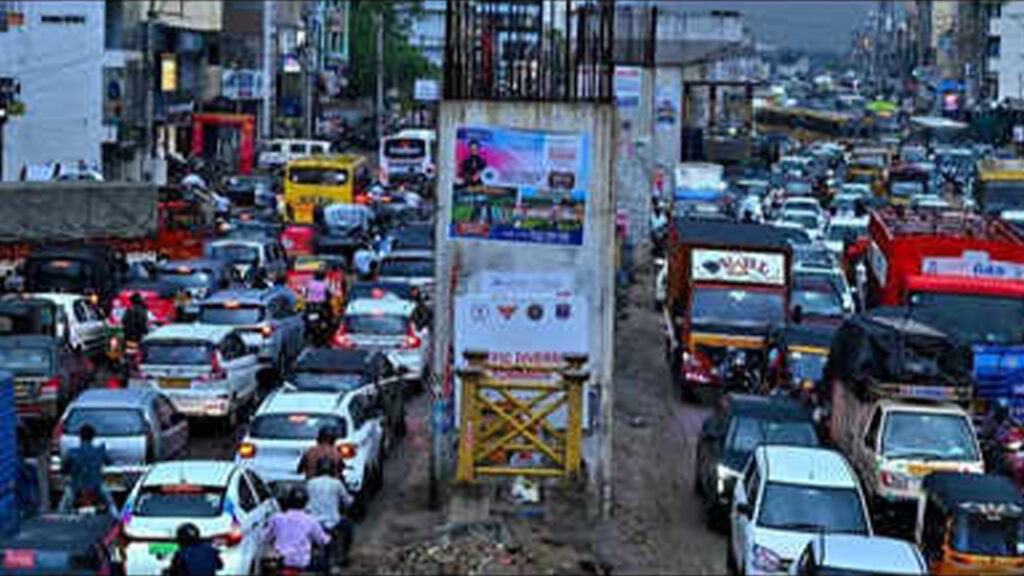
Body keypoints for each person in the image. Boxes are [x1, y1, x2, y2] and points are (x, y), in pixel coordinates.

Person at [267, 486, 331, 573]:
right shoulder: (310, 520)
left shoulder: (277, 518)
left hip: (281, 562)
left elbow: (266, 537)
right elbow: (322, 540)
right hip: (301, 564)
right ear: (306, 502)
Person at [58, 425, 117, 517]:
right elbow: (109, 462)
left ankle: (60, 521)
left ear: (80, 437)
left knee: (63, 507)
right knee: (111, 504)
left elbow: (63, 470)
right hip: (96, 485)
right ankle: (120, 520)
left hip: (76, 486)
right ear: (93, 437)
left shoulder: (72, 452)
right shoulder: (99, 451)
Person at [306, 458, 355, 567]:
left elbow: (308, 501)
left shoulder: (310, 483)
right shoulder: (337, 484)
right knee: (349, 526)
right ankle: (344, 555)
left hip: (314, 521)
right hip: (333, 522)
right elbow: (347, 501)